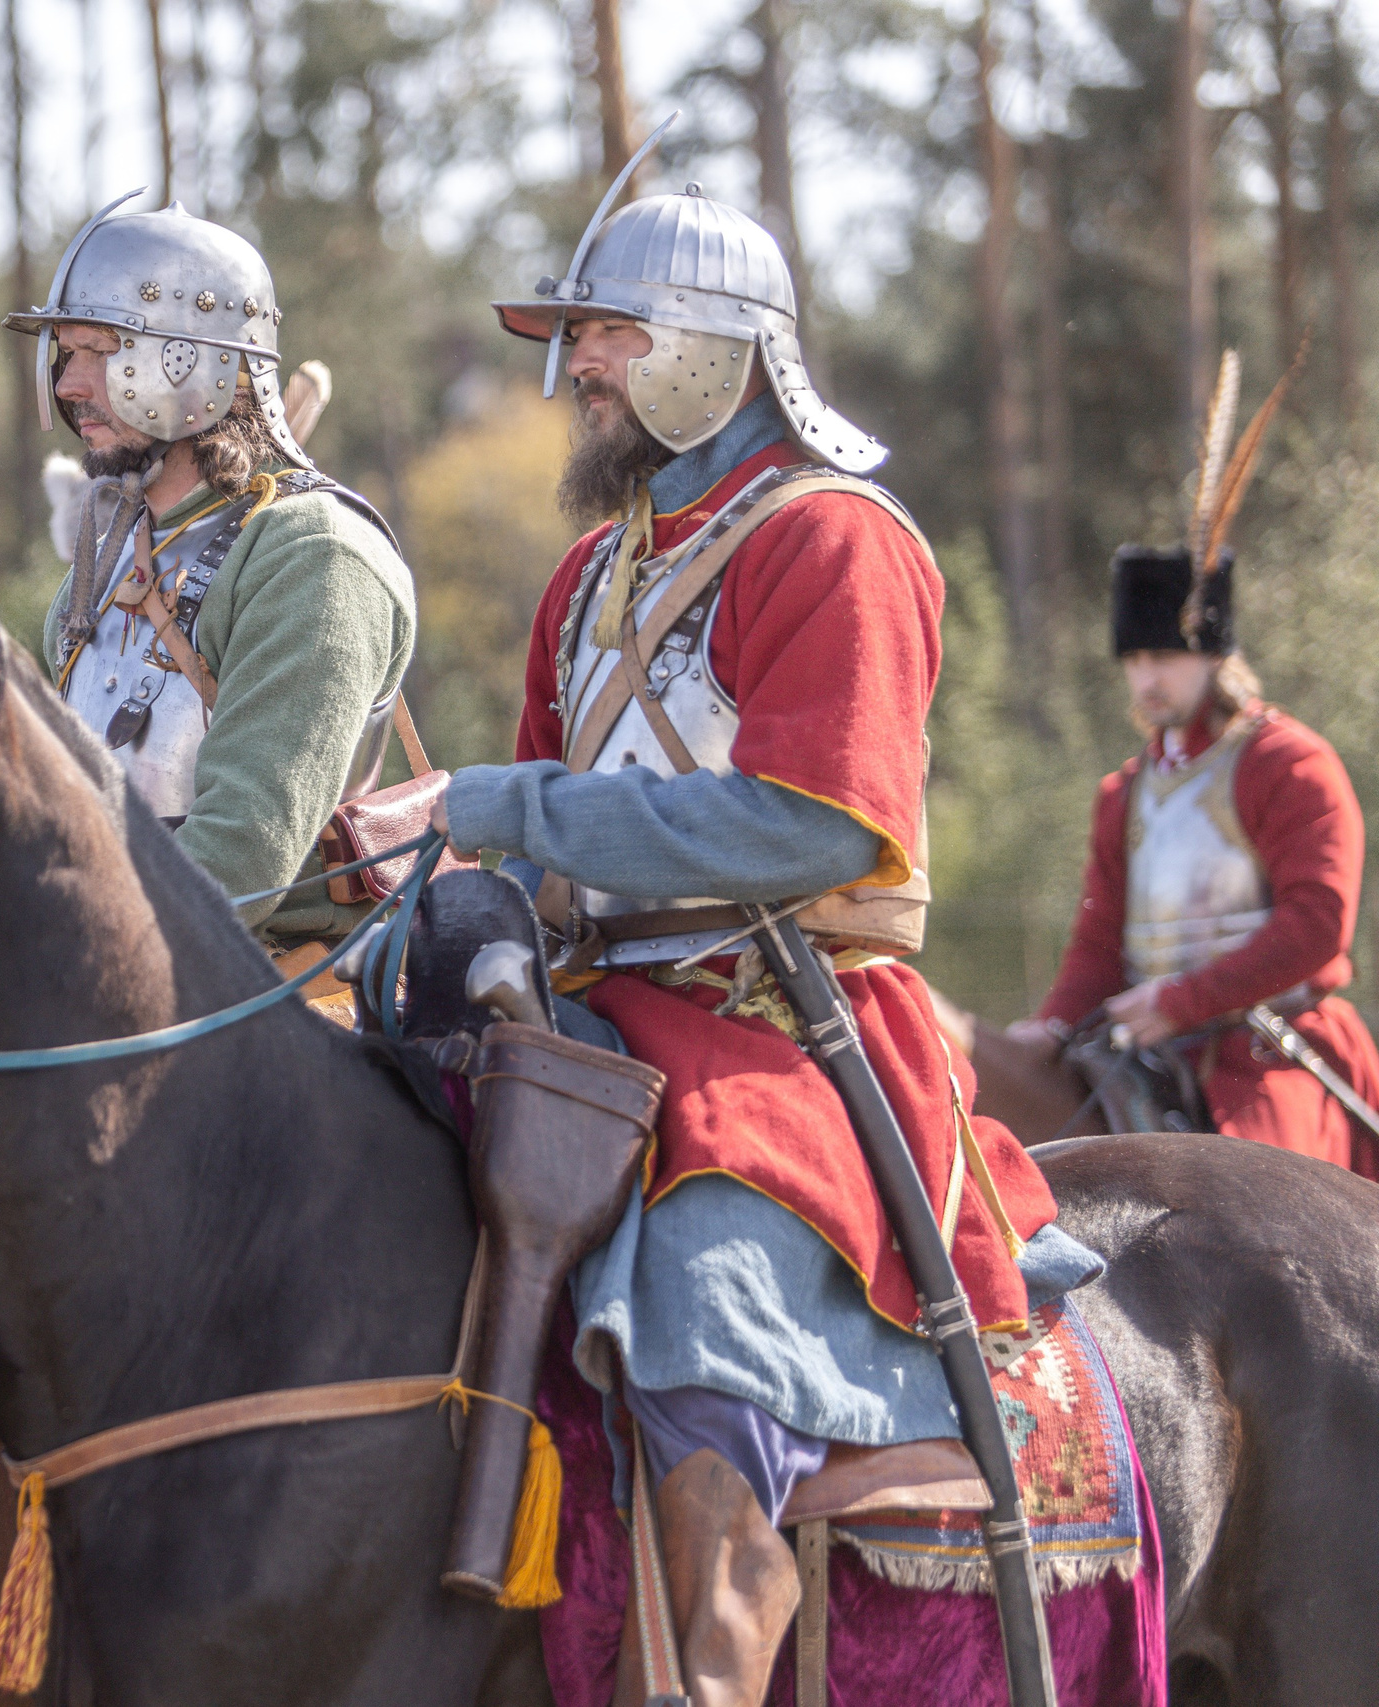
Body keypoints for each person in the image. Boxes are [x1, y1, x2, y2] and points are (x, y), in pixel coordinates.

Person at [431, 184, 1103, 1704]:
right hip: (592, 1018)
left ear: (717, 349)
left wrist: (504, 804)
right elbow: (544, 841)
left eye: (607, 332)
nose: (578, 367)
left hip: (774, 1029)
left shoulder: (834, 540)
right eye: (575, 336)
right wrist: (446, 871)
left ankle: (709, 1646)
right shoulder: (589, 579)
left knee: (706, 1294)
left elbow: (816, 825)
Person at [2, 195, 415, 943]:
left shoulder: (313, 554)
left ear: (193, 362)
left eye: (101, 350)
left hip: (273, 980)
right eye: (67, 352)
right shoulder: (111, 554)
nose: (69, 382)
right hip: (112, 955)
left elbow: (238, 862)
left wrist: (34, 942)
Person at [1004, 540, 1379, 1175]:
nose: (1147, 678)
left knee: (1264, 1214)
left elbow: (1318, 925)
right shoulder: (1124, 793)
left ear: (1212, 655)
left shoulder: (1288, 764)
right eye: (1136, 659)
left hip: (1272, 1053)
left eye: (1166, 657)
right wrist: (1054, 1026)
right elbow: (1100, 943)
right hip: (1157, 1053)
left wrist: (1179, 1000)